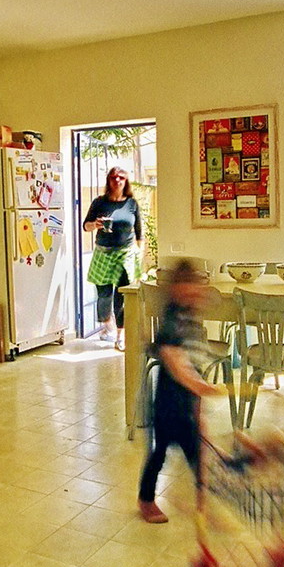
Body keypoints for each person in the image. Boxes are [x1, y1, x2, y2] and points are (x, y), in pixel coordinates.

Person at [137, 259, 227, 524]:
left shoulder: (191, 320)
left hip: (187, 402)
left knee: (198, 456)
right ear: (176, 290)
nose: (196, 293)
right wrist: (198, 385)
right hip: (167, 405)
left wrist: (198, 399)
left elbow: (193, 361)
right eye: (189, 286)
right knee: (159, 454)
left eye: (198, 287)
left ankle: (203, 506)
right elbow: (172, 357)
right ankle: (145, 499)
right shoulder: (171, 320)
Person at [83, 167, 142, 351]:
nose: (117, 181)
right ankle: (107, 323)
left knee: (122, 296)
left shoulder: (132, 204)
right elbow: (86, 226)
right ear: (109, 181)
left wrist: (139, 253)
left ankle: (120, 335)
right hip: (103, 252)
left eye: (121, 178)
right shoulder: (99, 203)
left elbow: (139, 231)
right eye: (114, 178)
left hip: (126, 253)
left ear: (126, 181)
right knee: (104, 295)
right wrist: (95, 224)